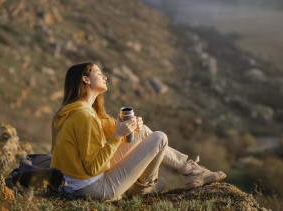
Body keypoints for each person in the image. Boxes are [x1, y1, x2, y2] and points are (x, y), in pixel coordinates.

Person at [51, 62, 226, 201]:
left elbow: (108, 128)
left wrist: (129, 126)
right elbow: (93, 167)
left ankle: (191, 171)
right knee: (160, 138)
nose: (104, 77)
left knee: (144, 131)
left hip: (85, 179)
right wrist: (118, 135)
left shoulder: (77, 110)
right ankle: (144, 186)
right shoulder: (83, 116)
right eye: (98, 73)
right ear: (86, 80)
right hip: (95, 187)